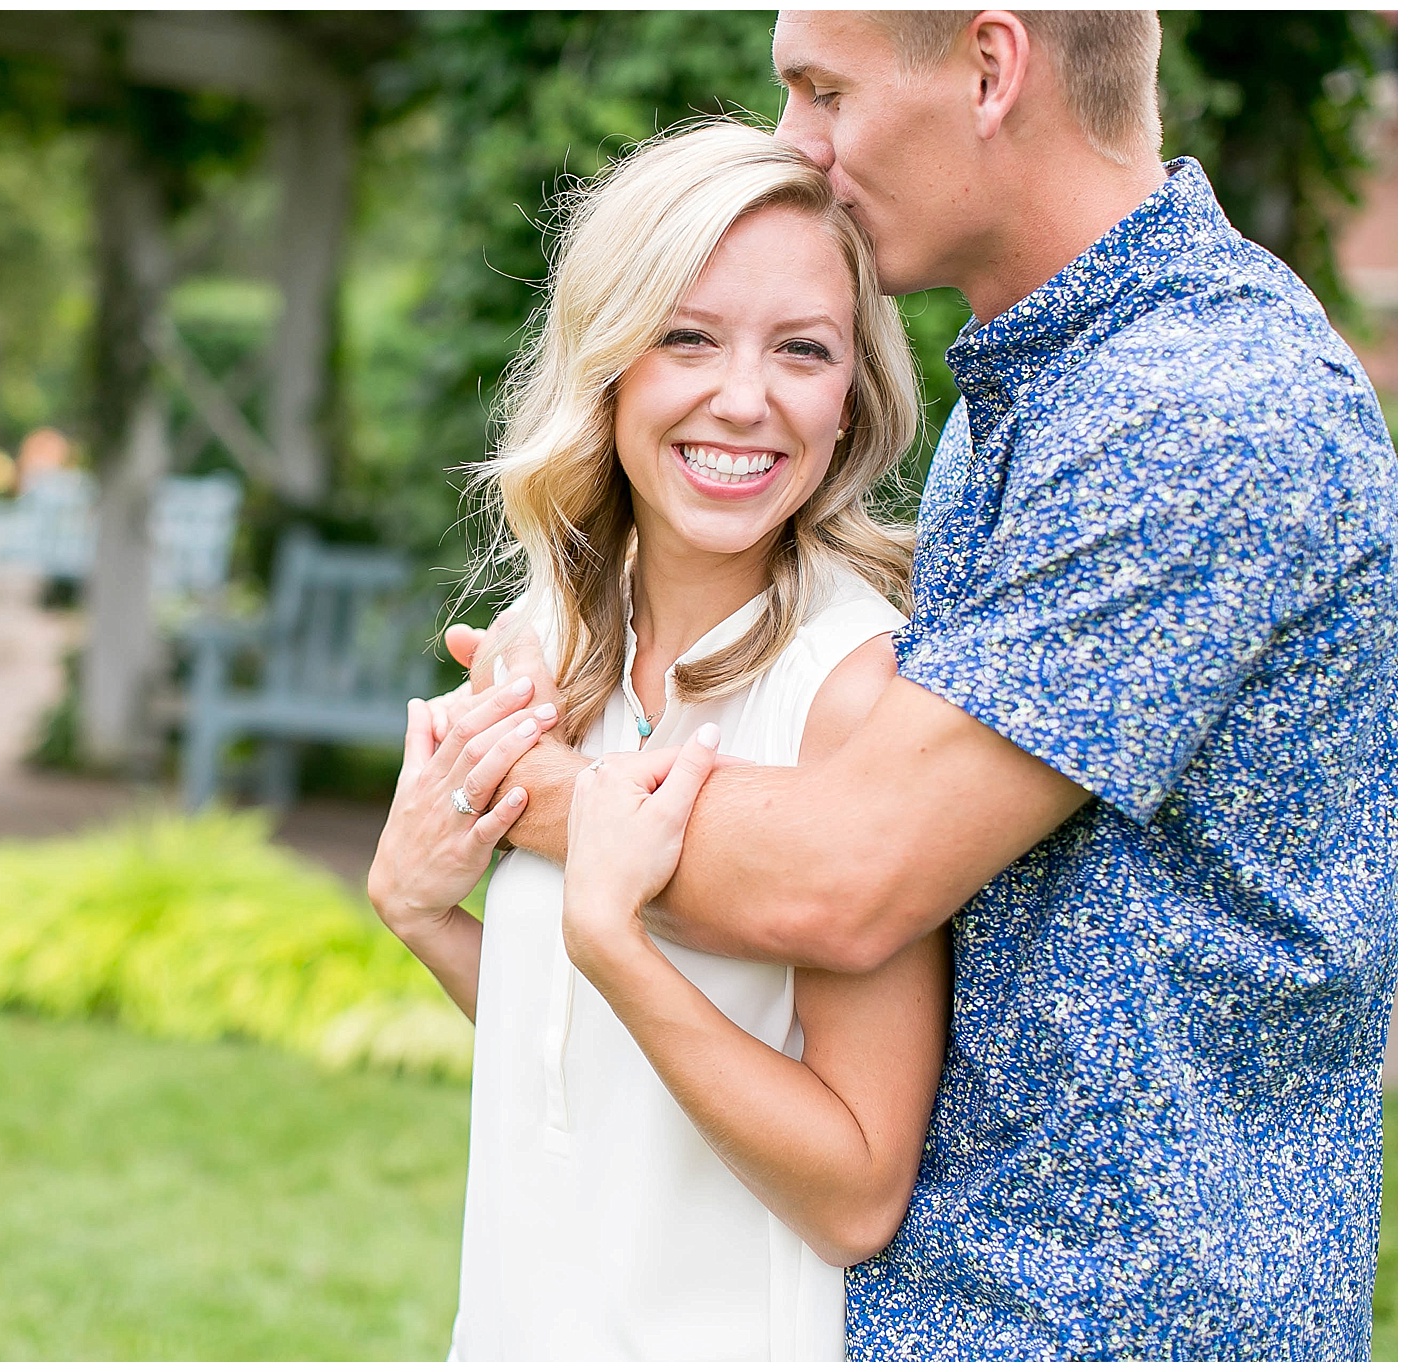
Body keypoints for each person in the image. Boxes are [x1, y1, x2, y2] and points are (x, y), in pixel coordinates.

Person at [441, 10, 1396, 1360]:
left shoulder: (1202, 406)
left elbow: (852, 875)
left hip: (1120, 1324)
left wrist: (518, 784)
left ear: (992, 69)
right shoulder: (1039, 399)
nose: (794, 140)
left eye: (823, 90)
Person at [366, 120, 950, 1359]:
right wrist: (428, 920)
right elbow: (576, 1064)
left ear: (851, 398)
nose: (744, 398)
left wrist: (617, 941)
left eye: (802, 349)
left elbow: (854, 1191)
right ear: (610, 362)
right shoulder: (546, 640)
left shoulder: (852, 693)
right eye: (688, 337)